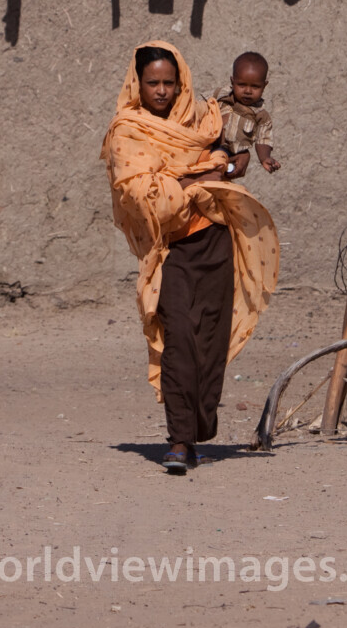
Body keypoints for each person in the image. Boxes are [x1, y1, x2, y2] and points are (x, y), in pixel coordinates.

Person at [101, 42, 279, 474]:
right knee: (179, 337)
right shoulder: (127, 131)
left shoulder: (203, 117)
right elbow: (144, 194)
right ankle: (180, 440)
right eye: (152, 83)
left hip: (215, 238)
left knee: (209, 340)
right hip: (170, 249)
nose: (161, 91)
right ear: (137, 84)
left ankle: (197, 429)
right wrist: (199, 173)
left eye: (169, 82)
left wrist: (216, 168)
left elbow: (231, 158)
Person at [216, 51, 280, 179]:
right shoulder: (220, 97)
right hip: (206, 145)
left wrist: (265, 158)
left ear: (264, 86)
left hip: (231, 155)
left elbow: (263, 139)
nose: (248, 91)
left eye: (255, 87)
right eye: (242, 85)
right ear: (232, 81)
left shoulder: (261, 116)